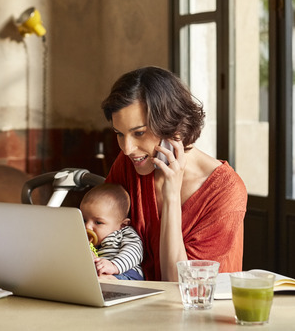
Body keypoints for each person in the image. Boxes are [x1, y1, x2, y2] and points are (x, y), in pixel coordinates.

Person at [100, 66, 247, 281]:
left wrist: (171, 196)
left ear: (173, 126)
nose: (127, 148)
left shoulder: (225, 191)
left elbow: (179, 285)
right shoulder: (128, 164)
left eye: (139, 133)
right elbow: (103, 240)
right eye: (120, 134)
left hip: (201, 311)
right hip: (137, 307)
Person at [80, 183, 144, 280]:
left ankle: (111, 282)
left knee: (104, 279)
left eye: (98, 222)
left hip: (126, 273)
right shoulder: (83, 239)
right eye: (84, 220)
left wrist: (114, 266)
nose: (87, 226)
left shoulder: (123, 233)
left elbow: (134, 251)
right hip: (99, 274)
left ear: (122, 225)